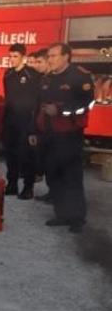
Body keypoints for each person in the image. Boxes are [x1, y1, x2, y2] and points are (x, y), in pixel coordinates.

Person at [30, 43, 94, 234]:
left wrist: (61, 110)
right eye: (49, 56)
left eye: (54, 56)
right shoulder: (47, 79)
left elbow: (88, 105)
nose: (50, 59)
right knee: (54, 175)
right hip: (49, 134)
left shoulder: (79, 77)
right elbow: (38, 106)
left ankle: (76, 218)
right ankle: (62, 214)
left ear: (66, 56)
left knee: (71, 177)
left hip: (69, 135)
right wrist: (33, 131)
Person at [2, 43, 40, 199]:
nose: (12, 59)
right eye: (10, 56)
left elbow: (38, 101)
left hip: (26, 121)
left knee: (25, 156)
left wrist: (33, 126)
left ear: (24, 57)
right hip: (11, 120)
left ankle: (28, 187)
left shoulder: (32, 74)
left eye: (15, 57)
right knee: (10, 155)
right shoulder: (8, 74)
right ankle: (12, 185)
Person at [31, 49, 53, 203]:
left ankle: (57, 193)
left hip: (55, 128)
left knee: (54, 161)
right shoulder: (41, 79)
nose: (36, 65)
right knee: (46, 160)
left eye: (39, 62)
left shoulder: (55, 80)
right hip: (42, 126)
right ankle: (52, 192)